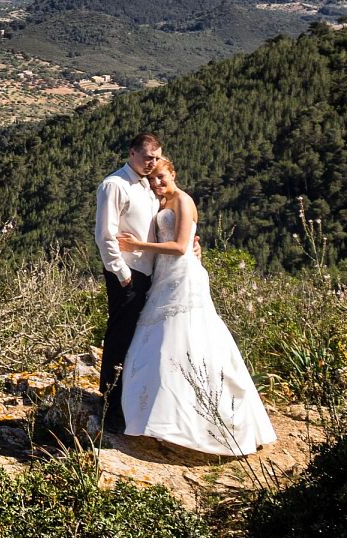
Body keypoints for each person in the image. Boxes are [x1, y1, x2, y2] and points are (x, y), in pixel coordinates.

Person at [115, 158, 277, 455]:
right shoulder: (163, 203)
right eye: (152, 180)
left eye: (161, 177)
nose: (157, 183)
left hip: (183, 276)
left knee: (187, 340)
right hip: (165, 276)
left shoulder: (184, 201)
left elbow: (179, 247)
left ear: (173, 173)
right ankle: (156, 417)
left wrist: (136, 246)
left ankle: (193, 422)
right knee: (159, 343)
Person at [95, 133, 163, 435]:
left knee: (138, 336)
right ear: (132, 152)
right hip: (128, 273)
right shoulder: (115, 185)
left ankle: (128, 399)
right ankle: (108, 402)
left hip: (148, 272)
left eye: (157, 157)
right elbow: (105, 234)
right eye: (148, 157)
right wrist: (121, 273)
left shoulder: (148, 186)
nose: (152, 163)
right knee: (120, 335)